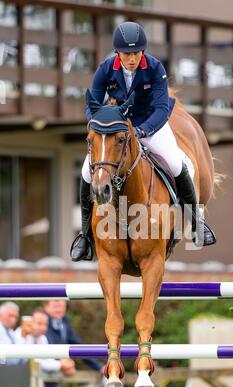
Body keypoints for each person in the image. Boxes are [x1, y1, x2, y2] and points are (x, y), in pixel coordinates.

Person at [70, 21, 216, 262]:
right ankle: (85, 237)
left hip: (152, 125)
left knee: (178, 164)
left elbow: (161, 108)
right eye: (127, 53)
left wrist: (142, 130)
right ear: (118, 53)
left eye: (137, 52)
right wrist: (107, 124)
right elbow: (92, 106)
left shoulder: (155, 68)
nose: (132, 58)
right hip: (117, 128)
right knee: (88, 171)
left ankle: (197, 224)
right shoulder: (105, 69)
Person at [44, 300, 104, 387]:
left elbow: (78, 346)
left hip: (57, 374)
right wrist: (62, 363)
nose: (58, 310)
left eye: (61, 306)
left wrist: (98, 366)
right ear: (46, 307)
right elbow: (47, 346)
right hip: (43, 372)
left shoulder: (64, 322)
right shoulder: (42, 321)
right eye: (55, 306)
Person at [15, 307, 76, 377]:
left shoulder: (42, 338)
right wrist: (61, 365)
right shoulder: (20, 334)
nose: (44, 328)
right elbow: (35, 362)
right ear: (30, 322)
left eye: (46, 324)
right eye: (39, 323)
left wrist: (65, 365)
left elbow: (48, 359)